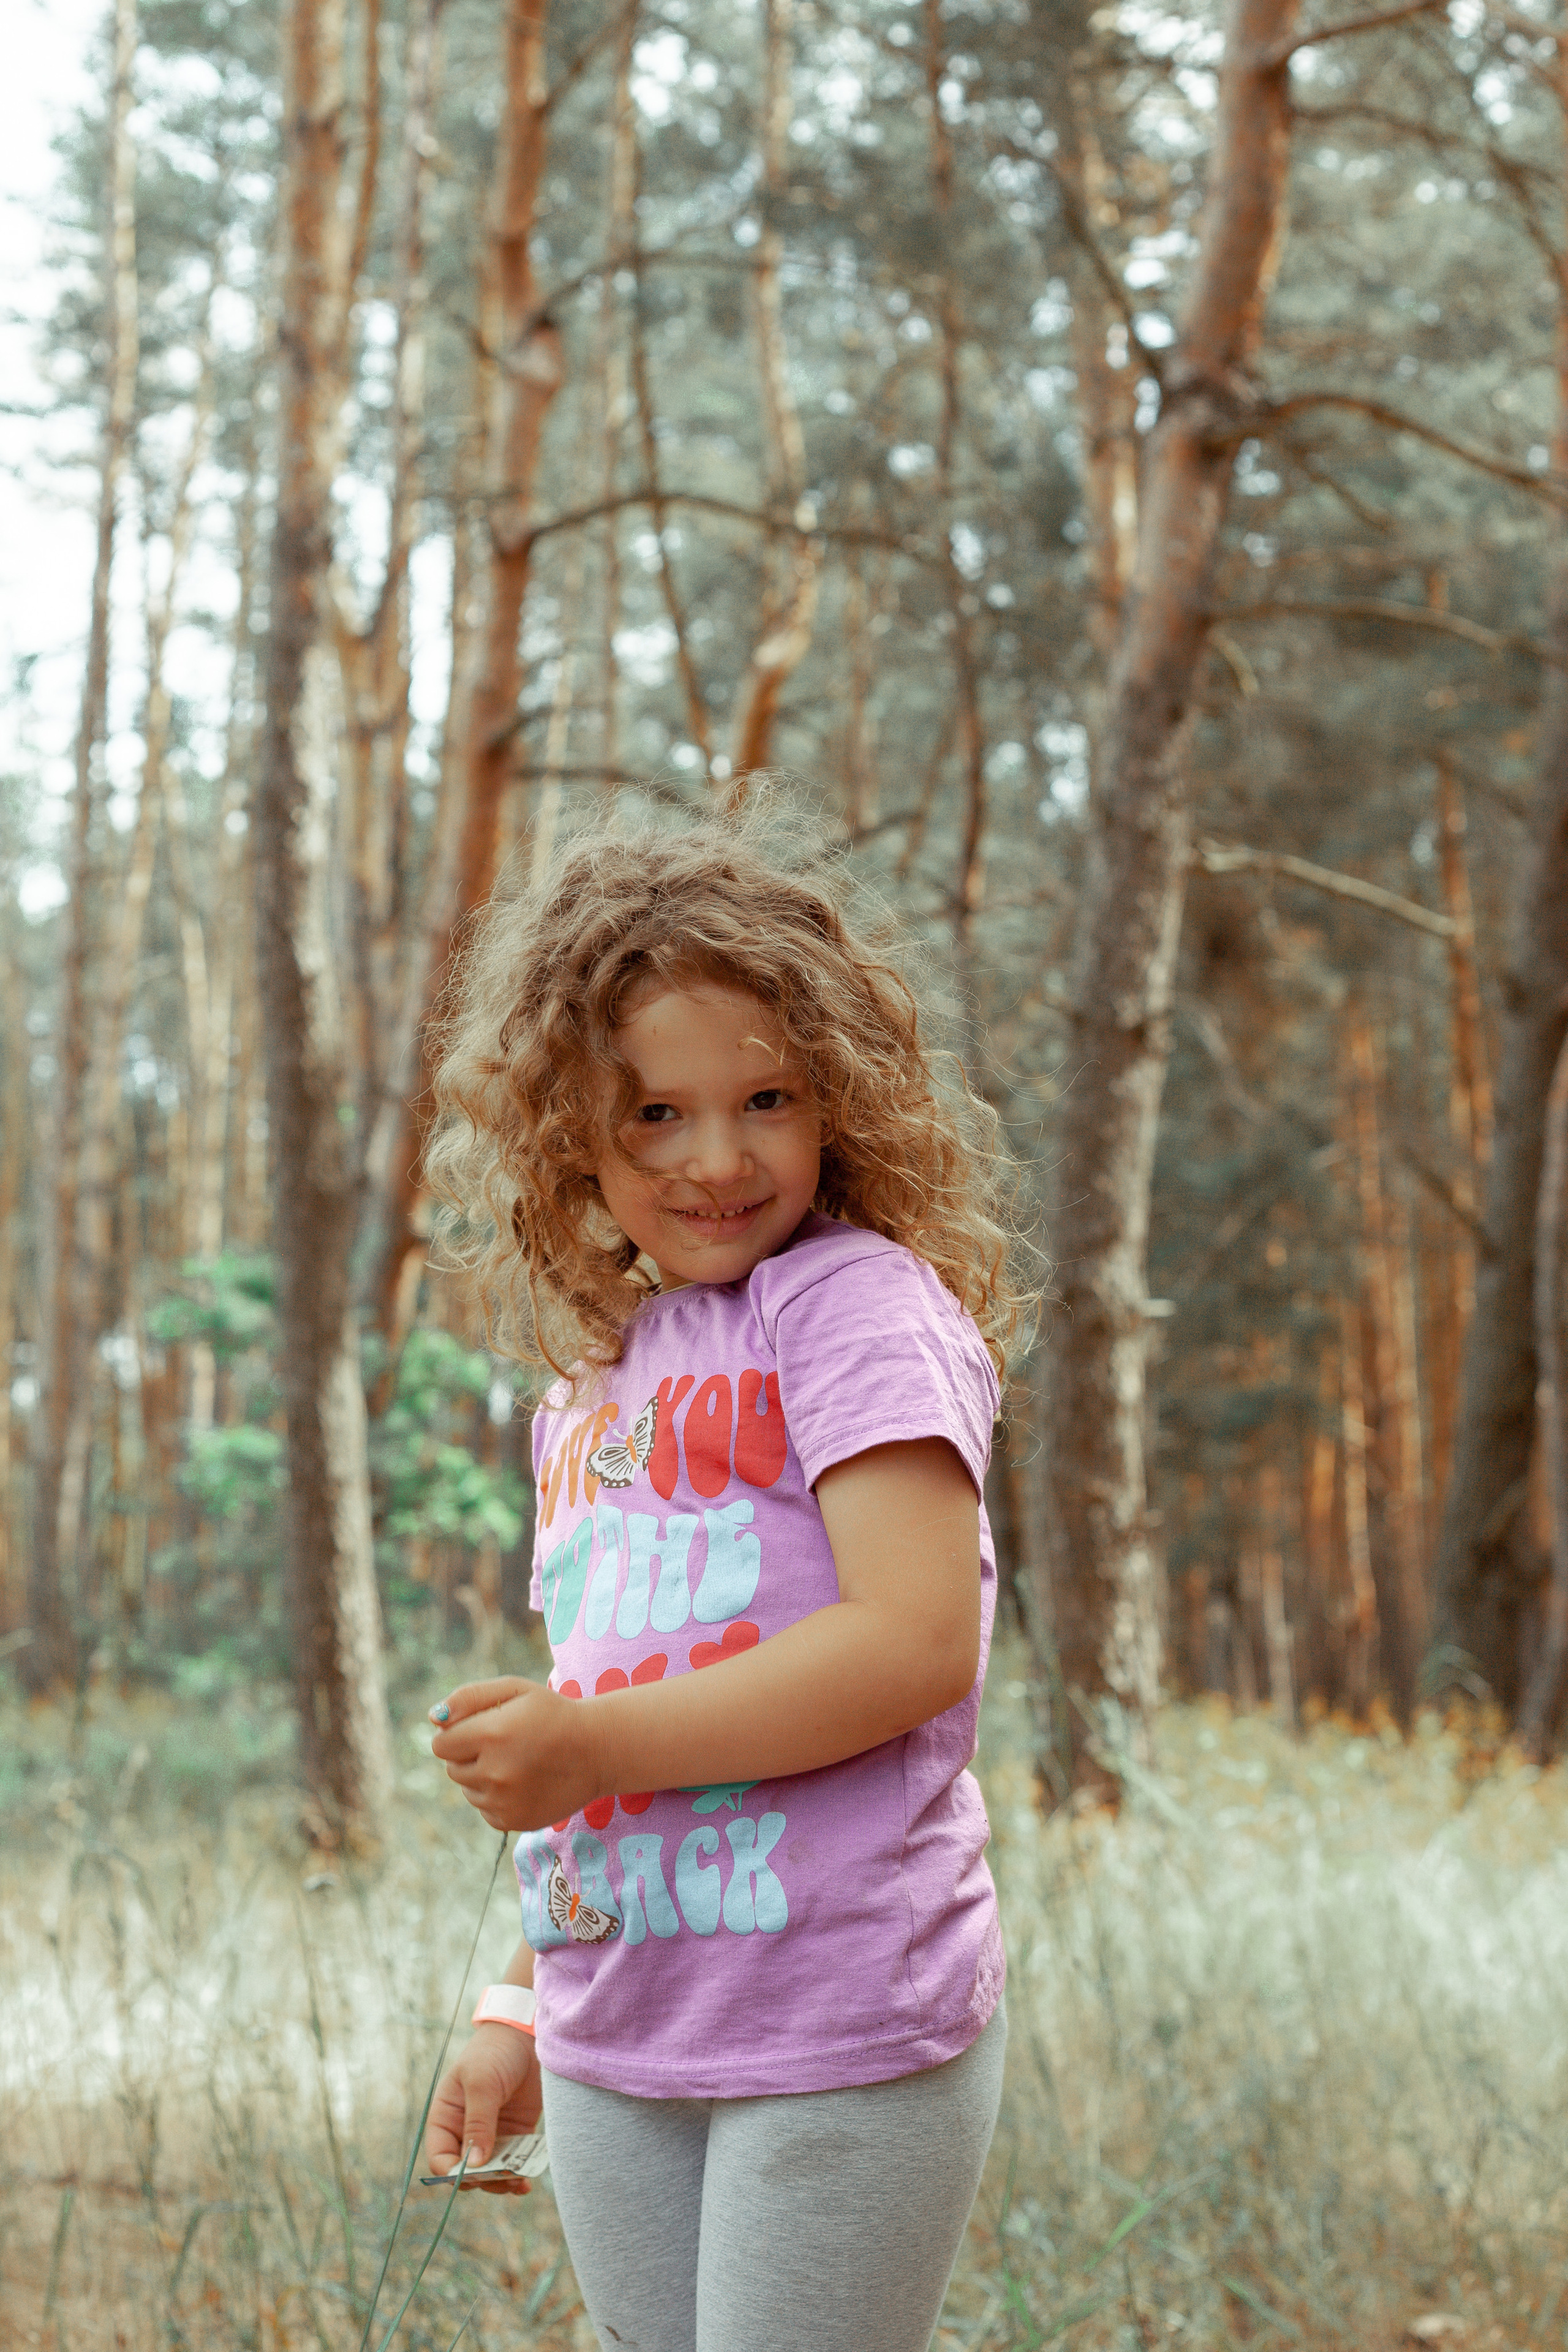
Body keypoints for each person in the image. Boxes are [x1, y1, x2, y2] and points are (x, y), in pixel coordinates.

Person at [420, 788, 1030, 2352]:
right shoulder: (596, 1384)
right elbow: (612, 1709)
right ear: (568, 1131)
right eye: (652, 1114)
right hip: (621, 2018)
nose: (715, 1158)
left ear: (836, 1097)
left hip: (836, 2018)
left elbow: (910, 1645)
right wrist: (517, 1995)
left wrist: (588, 1746)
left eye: (763, 1098)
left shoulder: (849, 1308)